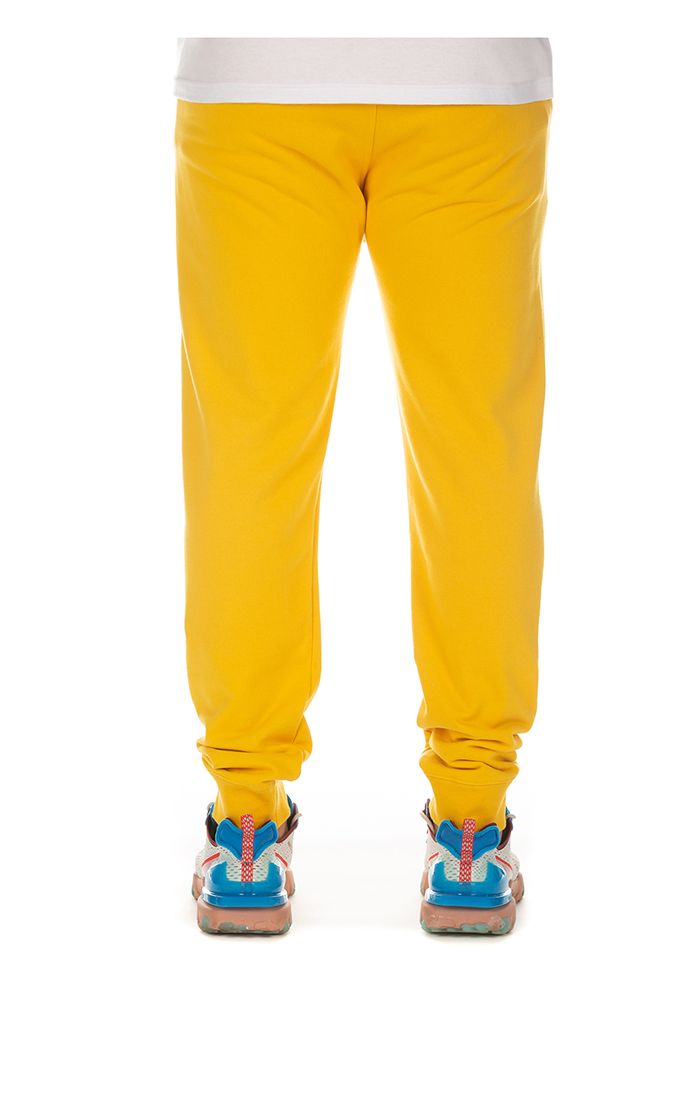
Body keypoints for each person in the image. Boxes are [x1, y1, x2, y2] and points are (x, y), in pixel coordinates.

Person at [175, 37, 552, 935]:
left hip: (257, 78)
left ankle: (246, 824)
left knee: (249, 457)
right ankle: (470, 828)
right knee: (478, 457)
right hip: (470, 79)